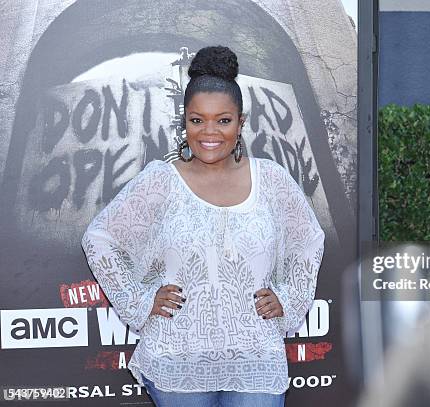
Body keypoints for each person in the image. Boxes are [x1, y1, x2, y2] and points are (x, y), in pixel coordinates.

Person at [81, 45, 325, 407]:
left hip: (254, 356)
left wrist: (289, 299)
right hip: (176, 356)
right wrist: (140, 299)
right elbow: (99, 238)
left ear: (241, 123)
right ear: (185, 122)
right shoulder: (160, 181)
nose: (209, 132)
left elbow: (308, 240)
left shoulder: (272, 180)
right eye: (197, 120)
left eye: (223, 120)